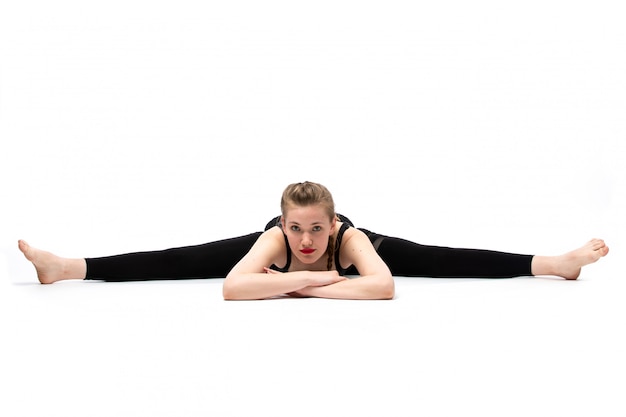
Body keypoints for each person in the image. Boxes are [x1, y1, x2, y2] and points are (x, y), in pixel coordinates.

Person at [17, 181, 609, 300]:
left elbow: (382, 288)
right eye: (295, 229)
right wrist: (307, 274)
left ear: (335, 224)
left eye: (315, 229)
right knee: (183, 259)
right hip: (300, 264)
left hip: (349, 257)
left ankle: (557, 264)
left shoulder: (350, 239)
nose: (305, 239)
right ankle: (66, 268)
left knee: (441, 258)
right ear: (280, 225)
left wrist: (309, 280)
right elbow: (228, 287)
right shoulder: (277, 238)